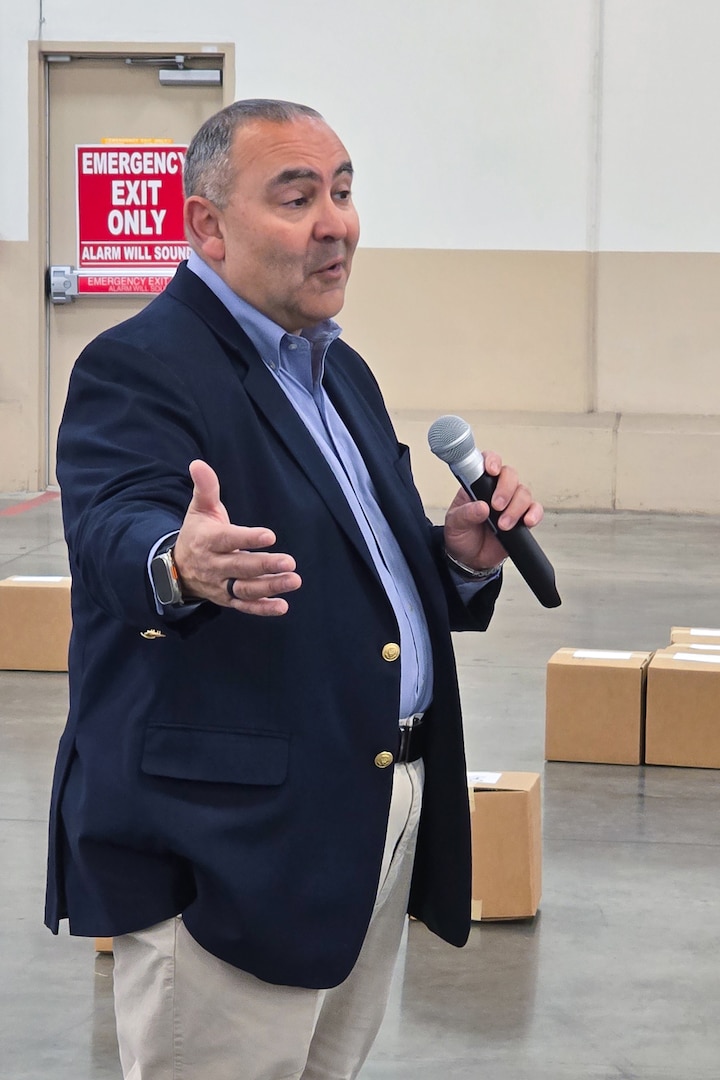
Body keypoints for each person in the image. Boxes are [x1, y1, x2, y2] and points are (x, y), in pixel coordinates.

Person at [45, 99, 543, 1079]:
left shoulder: (337, 372)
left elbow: (363, 576)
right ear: (207, 228)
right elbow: (113, 525)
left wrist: (456, 558)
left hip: (362, 815)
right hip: (235, 839)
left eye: (346, 191)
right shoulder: (140, 364)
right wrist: (176, 564)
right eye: (298, 195)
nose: (337, 222)